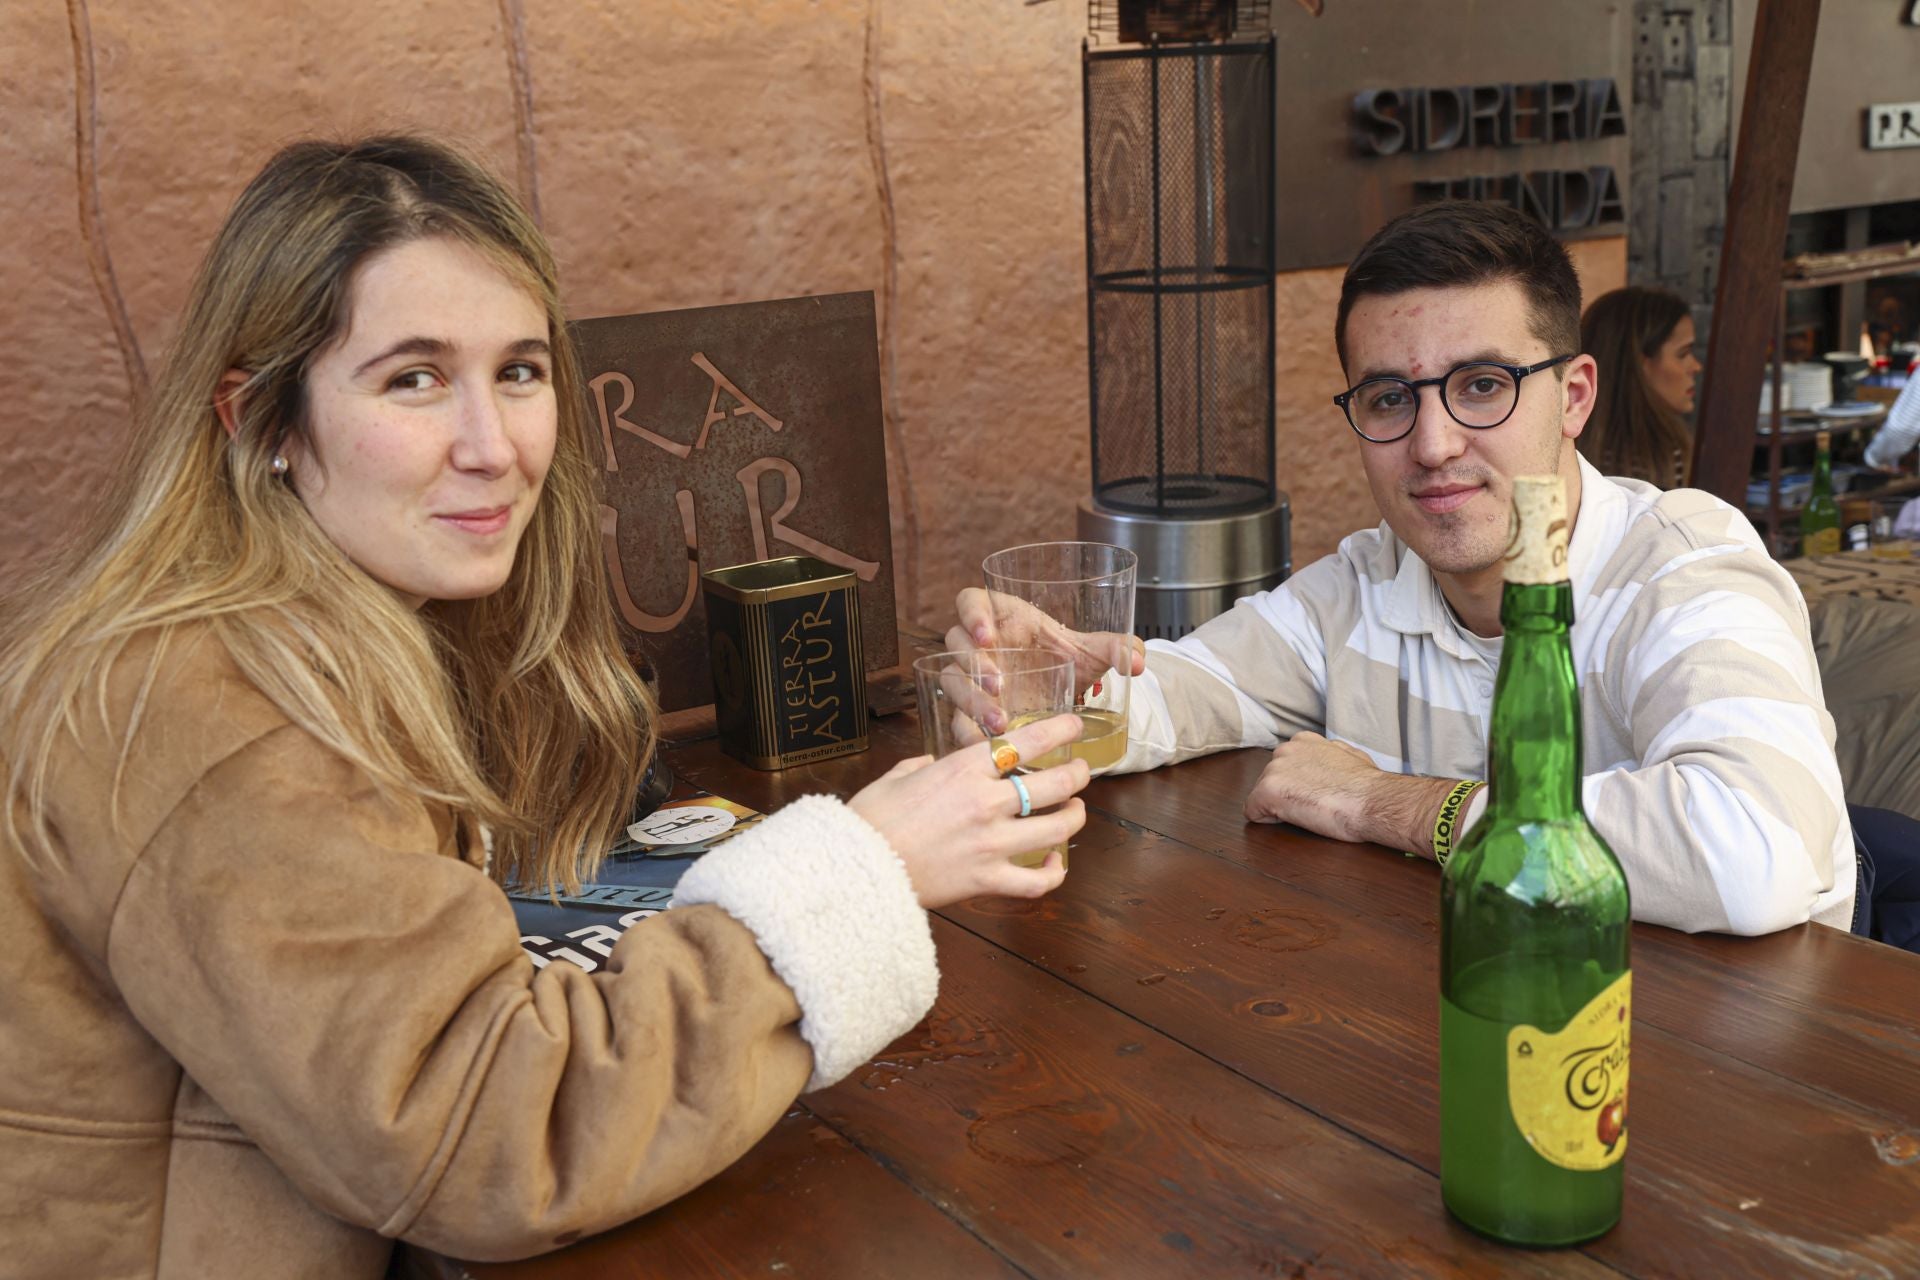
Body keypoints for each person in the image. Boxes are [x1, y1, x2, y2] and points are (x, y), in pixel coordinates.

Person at [0, 135, 1090, 1278]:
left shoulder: (343, 621)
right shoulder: (205, 701)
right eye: (413, 377)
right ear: (262, 421)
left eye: (519, 371)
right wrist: (866, 869)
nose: (495, 446)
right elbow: (487, 1138)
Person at [954, 200, 1856, 937]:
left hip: (1742, 1090)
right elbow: (1183, 690)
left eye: (1482, 385)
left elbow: (1752, 854)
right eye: (1390, 397)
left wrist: (1387, 803)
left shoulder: (1682, 566)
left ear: (1573, 396)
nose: (1432, 445)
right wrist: (1045, 689)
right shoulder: (1368, 582)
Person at [1576, 284, 1699, 487]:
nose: (1696, 366)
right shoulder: (1668, 454)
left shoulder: (1570, 450)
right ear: (1640, 364)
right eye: (1683, 354)